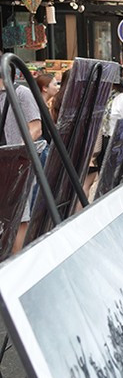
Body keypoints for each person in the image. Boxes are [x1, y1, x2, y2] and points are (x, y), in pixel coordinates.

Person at [1, 73, 44, 254]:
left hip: (15, 165)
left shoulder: (20, 93)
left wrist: (15, 153)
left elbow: (35, 128)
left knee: (18, 218)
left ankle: (15, 265)